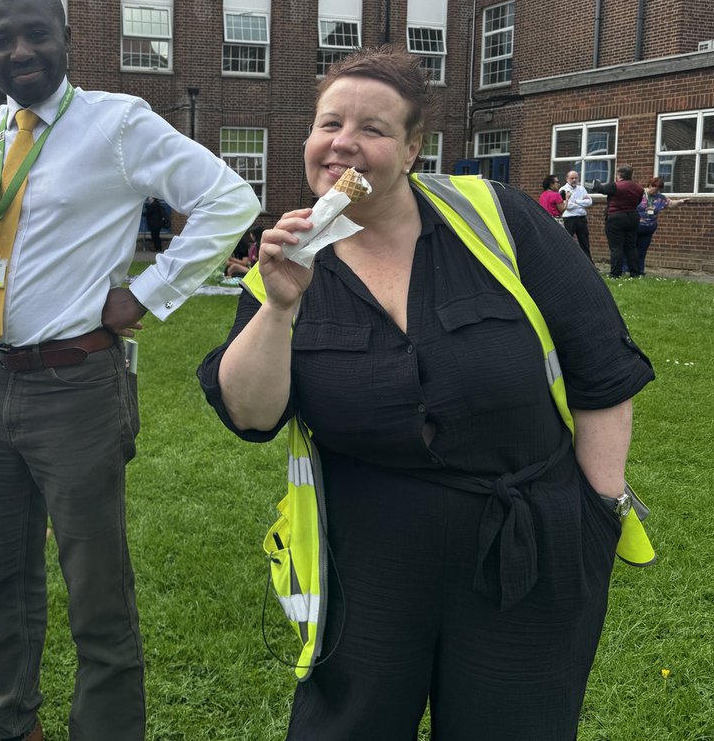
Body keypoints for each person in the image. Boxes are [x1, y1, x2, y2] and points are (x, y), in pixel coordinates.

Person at [197, 47, 654, 741]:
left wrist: (594, 512)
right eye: (329, 124)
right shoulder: (284, 260)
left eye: (372, 129)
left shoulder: (491, 217)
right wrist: (280, 307)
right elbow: (252, 416)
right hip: (368, 558)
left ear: (412, 148)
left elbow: (600, 362)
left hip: (525, 543)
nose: (343, 142)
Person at [0, 0, 259, 741]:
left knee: (95, 589)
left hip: (75, 385)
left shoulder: (116, 122)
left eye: (36, 31)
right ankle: (10, 722)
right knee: (2, 578)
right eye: (1, 38)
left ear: (67, 35)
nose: (20, 49)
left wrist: (150, 292)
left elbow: (229, 198)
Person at [592, 164, 644, 279]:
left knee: (616, 247)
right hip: (633, 217)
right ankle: (635, 273)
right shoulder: (639, 188)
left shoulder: (615, 186)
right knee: (631, 246)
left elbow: (600, 189)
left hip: (616, 217)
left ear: (619, 174)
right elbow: (638, 202)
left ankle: (616, 274)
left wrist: (596, 182)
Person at [631, 176, 686, 277]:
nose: (656, 192)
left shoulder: (660, 197)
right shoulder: (639, 194)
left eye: (658, 190)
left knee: (642, 250)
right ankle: (628, 269)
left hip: (649, 228)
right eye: (655, 189)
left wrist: (680, 202)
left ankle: (640, 271)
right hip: (636, 226)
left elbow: (670, 204)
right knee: (632, 249)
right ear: (649, 185)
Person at [560, 170, 593, 259]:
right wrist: (582, 202)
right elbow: (568, 206)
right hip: (569, 220)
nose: (574, 180)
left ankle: (589, 265)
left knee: (585, 243)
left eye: (576, 178)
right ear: (567, 179)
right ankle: (567, 263)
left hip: (582, 219)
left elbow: (589, 202)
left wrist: (576, 201)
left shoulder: (581, 188)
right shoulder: (563, 190)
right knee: (568, 242)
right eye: (572, 178)